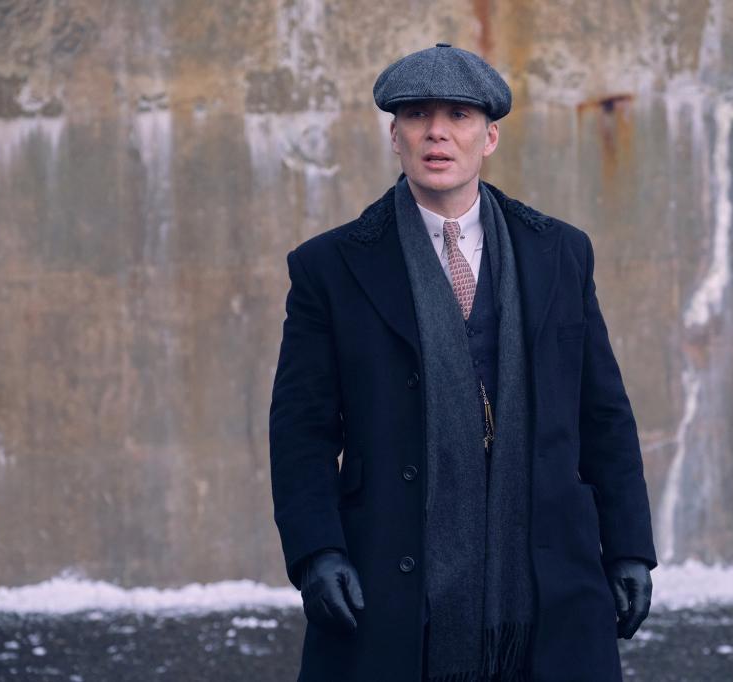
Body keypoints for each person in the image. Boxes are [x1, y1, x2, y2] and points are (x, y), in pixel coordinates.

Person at [269, 42, 657, 682]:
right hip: (390, 572)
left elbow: (603, 412)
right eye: (418, 114)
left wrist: (629, 549)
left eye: (459, 114)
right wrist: (317, 550)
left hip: (547, 573)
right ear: (395, 135)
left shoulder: (559, 252)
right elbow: (302, 429)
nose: (438, 131)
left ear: (490, 137)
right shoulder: (330, 268)